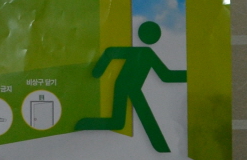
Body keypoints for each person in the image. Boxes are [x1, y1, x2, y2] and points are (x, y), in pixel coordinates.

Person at [74, 20, 185, 152]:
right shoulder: (145, 52)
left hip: (130, 87)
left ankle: (161, 146)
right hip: (123, 86)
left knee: (120, 121)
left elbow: (165, 75)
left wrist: (97, 71)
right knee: (121, 120)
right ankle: (161, 147)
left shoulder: (146, 53)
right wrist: (97, 72)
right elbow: (111, 52)